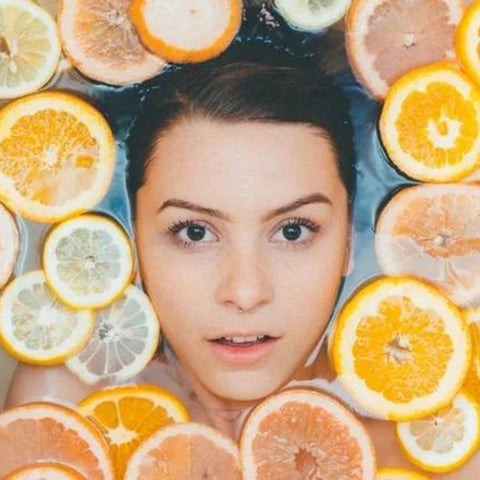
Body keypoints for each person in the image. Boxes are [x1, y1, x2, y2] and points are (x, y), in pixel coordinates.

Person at [5, 44, 478, 478]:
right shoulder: (64, 417)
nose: (246, 292)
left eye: (293, 231)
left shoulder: (441, 441)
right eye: (194, 232)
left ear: (350, 241)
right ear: (132, 240)